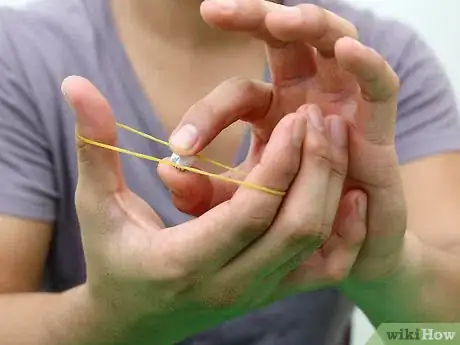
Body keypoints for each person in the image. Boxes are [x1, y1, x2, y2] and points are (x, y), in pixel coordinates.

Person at [0, 0, 459, 344]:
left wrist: (386, 265)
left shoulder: (374, 64)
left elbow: (444, 331)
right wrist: (111, 316)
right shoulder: (17, 55)